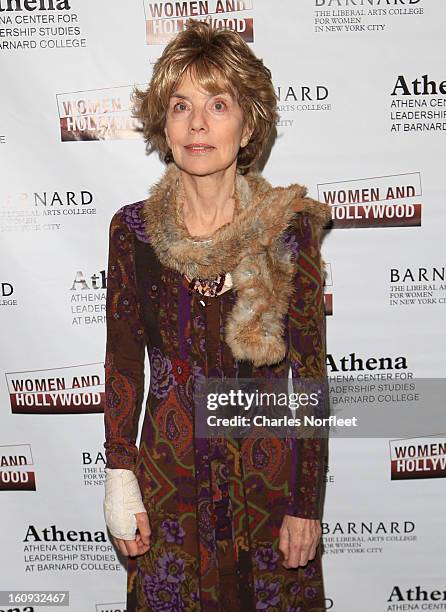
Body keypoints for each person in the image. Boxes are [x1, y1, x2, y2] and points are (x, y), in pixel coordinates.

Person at [102, 19, 331, 612]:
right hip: (169, 492)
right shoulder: (134, 234)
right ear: (164, 124)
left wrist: (306, 504)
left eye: (218, 104)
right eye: (180, 106)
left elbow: (308, 376)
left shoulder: (288, 231)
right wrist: (119, 475)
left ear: (248, 123)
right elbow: (124, 362)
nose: (197, 123)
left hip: (269, 490)